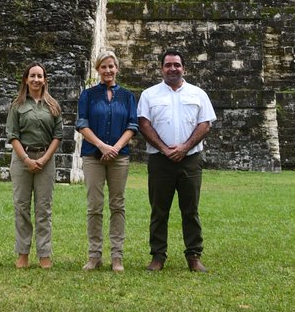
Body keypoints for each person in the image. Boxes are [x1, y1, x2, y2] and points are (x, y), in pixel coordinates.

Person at [136, 49, 216, 273]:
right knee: (159, 210)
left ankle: (194, 256)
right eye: (168, 65)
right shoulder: (149, 95)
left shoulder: (198, 94)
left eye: (177, 65)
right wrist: (164, 148)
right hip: (159, 160)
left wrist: (184, 147)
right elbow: (143, 124)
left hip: (190, 160)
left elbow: (205, 124)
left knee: (190, 209)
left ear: (184, 68)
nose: (173, 69)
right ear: (161, 69)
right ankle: (158, 256)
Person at [76, 50, 138, 272]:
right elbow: (82, 124)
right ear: (97, 70)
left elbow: (132, 125)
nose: (108, 70)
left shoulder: (128, 97)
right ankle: (94, 255)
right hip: (93, 156)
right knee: (94, 206)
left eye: (111, 66)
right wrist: (102, 146)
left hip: (119, 157)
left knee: (117, 205)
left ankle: (117, 257)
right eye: (103, 66)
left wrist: (115, 148)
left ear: (117, 68)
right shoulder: (88, 95)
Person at [6, 61, 63, 269]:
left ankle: (44, 254)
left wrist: (43, 159)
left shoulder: (53, 106)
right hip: (22, 160)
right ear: (26, 79)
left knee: (43, 209)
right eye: (32, 76)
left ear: (45, 80)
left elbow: (58, 135)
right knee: (21, 207)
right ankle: (22, 254)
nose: (36, 79)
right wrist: (26, 159)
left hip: (45, 160)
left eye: (40, 76)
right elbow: (12, 135)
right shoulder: (17, 105)